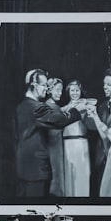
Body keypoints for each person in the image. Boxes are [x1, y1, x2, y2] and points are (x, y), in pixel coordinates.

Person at [14, 69, 82, 197]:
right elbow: (60, 120)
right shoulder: (37, 107)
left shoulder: (21, 106)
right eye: (44, 85)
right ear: (34, 86)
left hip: (23, 167)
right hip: (36, 170)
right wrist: (77, 111)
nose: (47, 88)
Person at [61, 80, 92, 197]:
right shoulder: (64, 108)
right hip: (67, 143)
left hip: (81, 142)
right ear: (68, 92)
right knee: (69, 174)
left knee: (82, 174)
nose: (75, 93)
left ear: (81, 91)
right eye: (72, 90)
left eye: (77, 90)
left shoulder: (85, 105)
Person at [44, 77, 66, 198]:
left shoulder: (53, 106)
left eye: (61, 90)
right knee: (56, 171)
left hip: (56, 143)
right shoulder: (49, 106)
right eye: (57, 90)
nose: (60, 93)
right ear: (50, 90)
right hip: (53, 144)